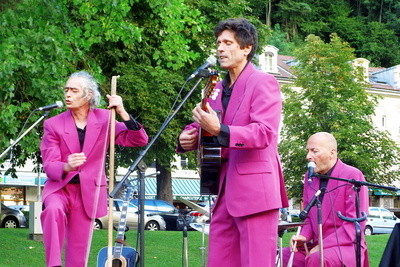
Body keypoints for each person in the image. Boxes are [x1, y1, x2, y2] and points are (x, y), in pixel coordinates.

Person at [177, 18, 288, 267]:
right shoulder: (215, 87)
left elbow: (264, 133)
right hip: (224, 191)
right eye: (218, 43)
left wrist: (220, 129)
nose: (220, 48)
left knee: (256, 262)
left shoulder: (263, 82)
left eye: (228, 43)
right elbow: (206, 124)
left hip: (256, 192)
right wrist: (187, 138)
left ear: (246, 48)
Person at [40, 71, 148, 267]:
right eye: (66, 90)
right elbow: (49, 164)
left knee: (78, 255)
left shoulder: (106, 119)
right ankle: (53, 264)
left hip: (88, 191)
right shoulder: (53, 124)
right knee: (53, 210)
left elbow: (138, 139)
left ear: (88, 95)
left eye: (74, 90)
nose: (68, 95)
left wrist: (122, 112)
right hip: (60, 188)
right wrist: (66, 165)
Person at [282, 132, 369, 267]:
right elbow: (309, 217)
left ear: (332, 153)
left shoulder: (352, 175)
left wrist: (322, 246)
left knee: (318, 259)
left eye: (314, 151)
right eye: (307, 151)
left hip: (346, 245)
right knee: (283, 255)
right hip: (315, 246)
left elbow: (354, 224)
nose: (308, 156)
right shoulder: (309, 177)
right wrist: (303, 237)